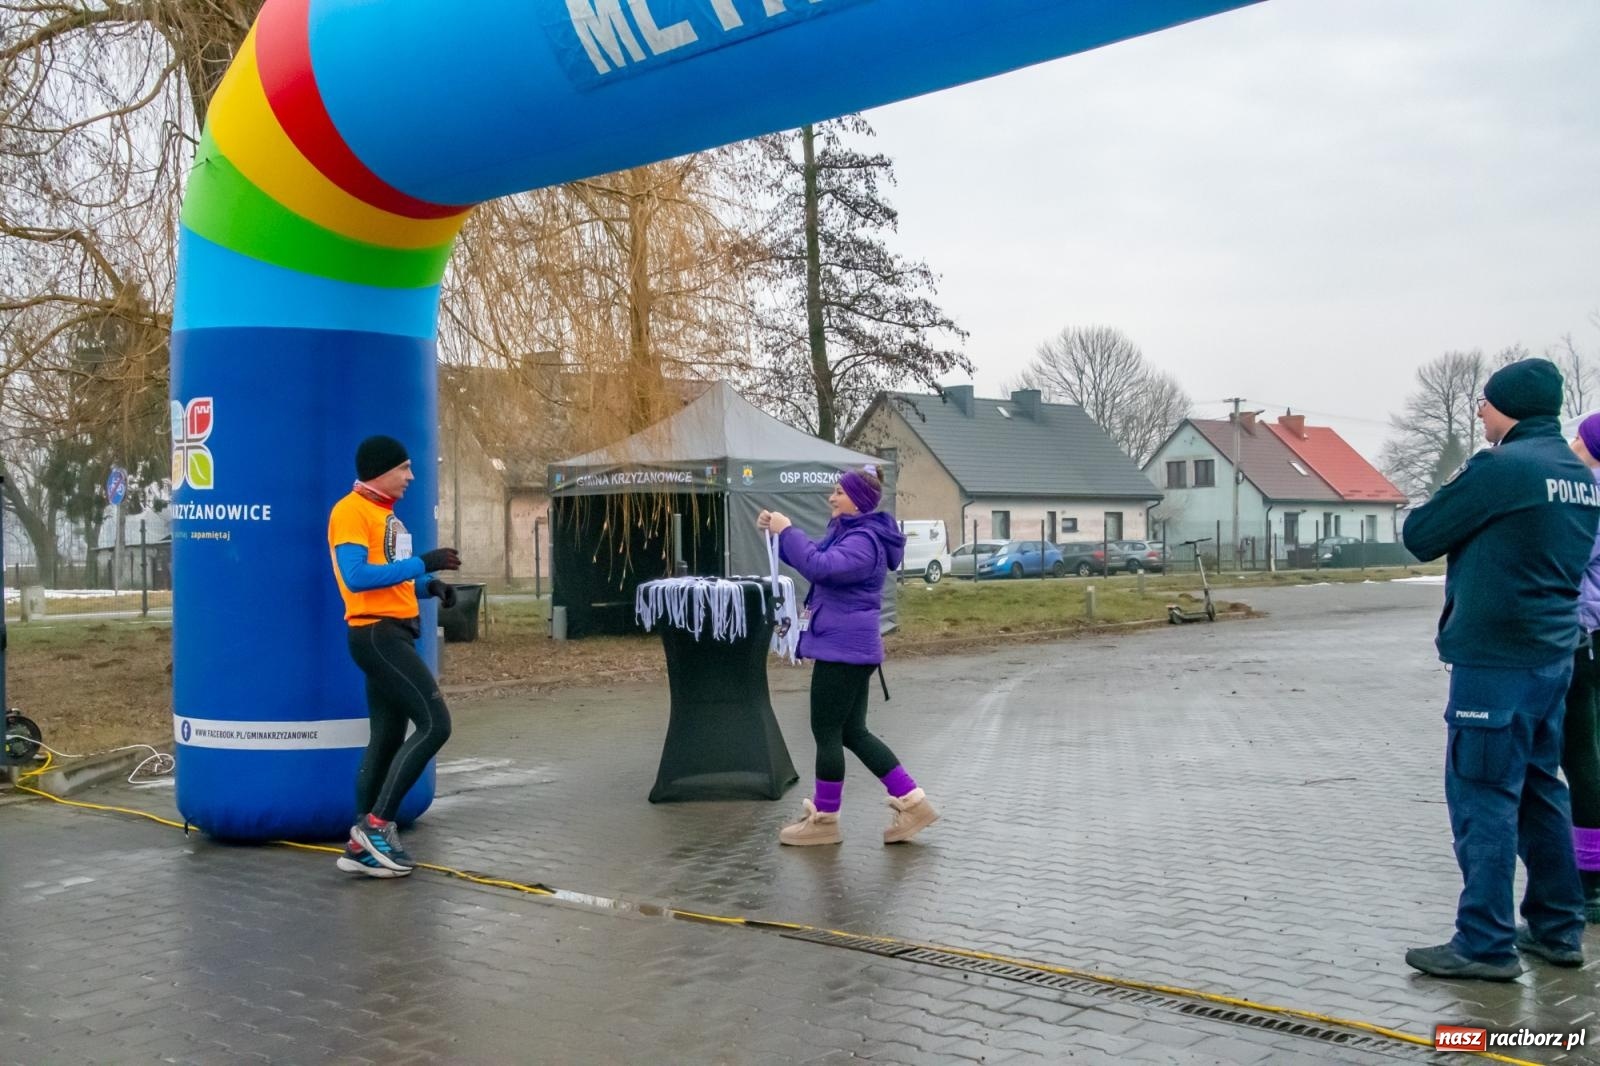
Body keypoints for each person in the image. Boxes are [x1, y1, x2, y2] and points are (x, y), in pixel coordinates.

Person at [1401, 358, 1598, 979]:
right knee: (1543, 789)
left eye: (1485, 404)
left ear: (1509, 406)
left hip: (1495, 660)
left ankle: (1483, 944)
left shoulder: (1503, 468)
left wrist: (1465, 481)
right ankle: (1558, 928)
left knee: (1482, 794)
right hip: (1552, 656)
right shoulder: (1576, 473)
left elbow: (1420, 534)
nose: (1480, 413)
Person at [757, 468, 937, 846]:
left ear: (859, 500)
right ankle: (913, 802)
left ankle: (825, 820)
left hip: (843, 650)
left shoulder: (864, 541)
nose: (831, 498)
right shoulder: (852, 535)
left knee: (826, 732)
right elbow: (816, 561)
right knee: (852, 732)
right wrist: (778, 535)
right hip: (850, 648)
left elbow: (820, 567)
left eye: (838, 492)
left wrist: (788, 529)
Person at [327, 435, 462, 878]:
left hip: (391, 633)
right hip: (377, 637)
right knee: (436, 724)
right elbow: (356, 577)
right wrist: (424, 563)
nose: (411, 477)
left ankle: (359, 842)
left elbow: (392, 581)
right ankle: (377, 827)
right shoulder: (351, 511)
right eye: (404, 468)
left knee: (386, 739)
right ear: (381, 471)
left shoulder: (387, 517)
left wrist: (428, 588)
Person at [1566, 413, 1600, 922]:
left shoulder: (1587, 496)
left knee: (1580, 757)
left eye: (1578, 437)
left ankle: (1589, 880)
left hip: (1581, 634)